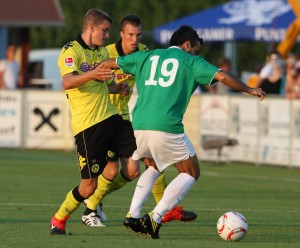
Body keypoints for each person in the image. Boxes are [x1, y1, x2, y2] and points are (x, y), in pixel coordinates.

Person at [99, 25, 266, 239]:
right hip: (166, 126)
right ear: (187, 45)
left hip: (139, 124)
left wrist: (102, 80)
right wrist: (250, 89)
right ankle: (155, 218)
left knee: (154, 165)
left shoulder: (147, 56)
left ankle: (133, 214)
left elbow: (109, 64)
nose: (197, 54)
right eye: (196, 50)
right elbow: (223, 77)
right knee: (190, 172)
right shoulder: (191, 61)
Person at [83, 14, 197, 226]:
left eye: (138, 34)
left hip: (127, 117)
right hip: (105, 117)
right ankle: (91, 206)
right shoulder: (106, 55)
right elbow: (90, 83)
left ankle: (99, 200)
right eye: (130, 35)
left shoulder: (146, 53)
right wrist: (112, 88)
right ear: (121, 35)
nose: (135, 39)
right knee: (114, 170)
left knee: (142, 166)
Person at [50, 9, 139, 235]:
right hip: (88, 127)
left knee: (133, 168)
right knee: (88, 186)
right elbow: (68, 82)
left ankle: (135, 214)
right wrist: (93, 74)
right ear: (91, 27)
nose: (107, 36)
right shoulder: (71, 51)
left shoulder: (100, 52)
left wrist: (115, 88)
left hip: (112, 118)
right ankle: (59, 218)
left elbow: (101, 82)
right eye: (105, 30)